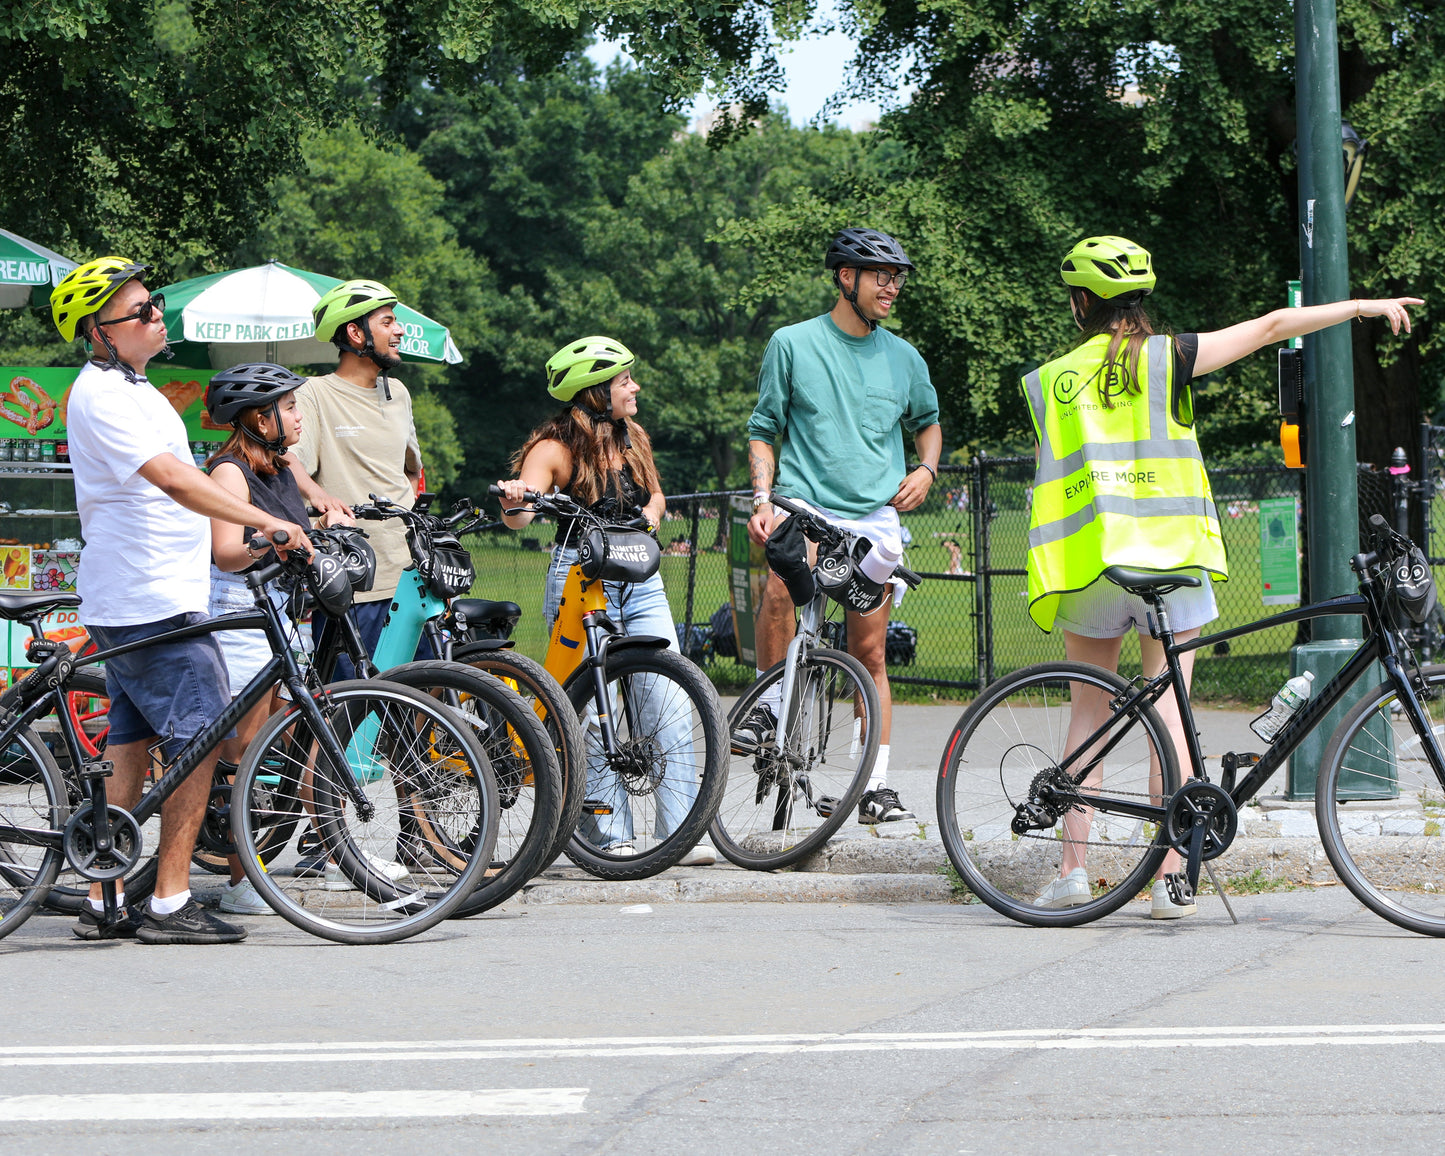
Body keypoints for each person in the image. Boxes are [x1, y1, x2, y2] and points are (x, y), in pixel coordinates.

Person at [1024, 234, 1423, 919]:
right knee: (1168, 718)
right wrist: (1360, 305)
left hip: (1090, 565)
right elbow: (1270, 326)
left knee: (1085, 719)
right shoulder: (1169, 357)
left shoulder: (1047, 380)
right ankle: (1169, 879)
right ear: (1140, 303)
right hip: (1171, 559)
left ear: (1079, 304)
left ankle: (1071, 871)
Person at [51, 257, 311, 944]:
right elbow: (171, 480)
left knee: (132, 744)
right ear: (99, 331)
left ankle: (104, 897)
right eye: (141, 311)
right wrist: (264, 521)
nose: (155, 315)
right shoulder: (102, 396)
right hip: (148, 598)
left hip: (152, 592)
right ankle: (168, 901)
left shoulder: (135, 389)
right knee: (198, 738)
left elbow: (186, 477)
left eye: (155, 303)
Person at [742, 227, 943, 824]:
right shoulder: (791, 343)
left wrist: (927, 467)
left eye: (897, 276)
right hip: (807, 504)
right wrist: (762, 499)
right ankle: (767, 706)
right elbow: (763, 428)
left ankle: (873, 789)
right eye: (880, 274)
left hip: (875, 518)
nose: (892, 285)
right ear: (844, 277)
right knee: (781, 583)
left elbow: (927, 423)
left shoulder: (905, 358)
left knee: (870, 652)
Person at [495, 336, 714, 866]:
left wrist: (653, 516)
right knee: (592, 711)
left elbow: (655, 495)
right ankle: (608, 831)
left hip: (641, 575)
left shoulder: (632, 436)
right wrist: (514, 500)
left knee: (669, 703)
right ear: (593, 391)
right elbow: (521, 512)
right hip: (581, 579)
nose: (634, 387)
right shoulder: (554, 449)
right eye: (623, 381)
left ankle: (681, 831)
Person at [201, 362, 364, 912]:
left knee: (296, 736)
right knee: (246, 750)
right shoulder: (229, 472)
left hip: (284, 615)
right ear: (258, 417)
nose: (299, 416)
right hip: (242, 615)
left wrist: (327, 517)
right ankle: (240, 880)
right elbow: (226, 552)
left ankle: (332, 852)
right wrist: (273, 539)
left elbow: (308, 505)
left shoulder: (280, 464)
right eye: (289, 407)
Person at [286, 279, 422, 677]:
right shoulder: (312, 393)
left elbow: (411, 469)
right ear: (355, 332)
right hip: (353, 581)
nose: (399, 330)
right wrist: (320, 497)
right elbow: (288, 462)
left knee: (423, 699)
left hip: (411, 576)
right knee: (350, 713)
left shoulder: (398, 392)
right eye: (388, 321)